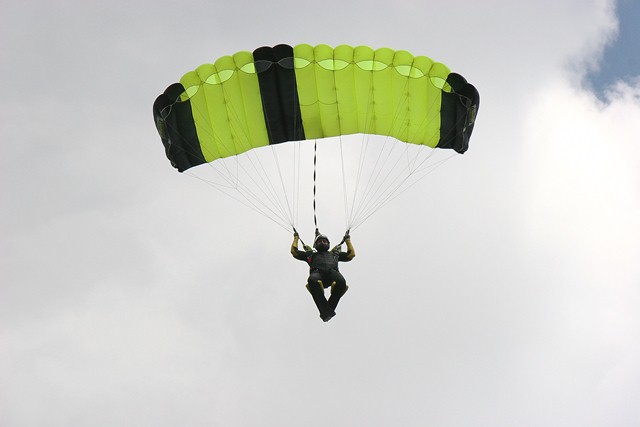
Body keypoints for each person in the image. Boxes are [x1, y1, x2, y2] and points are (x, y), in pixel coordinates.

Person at [291, 230, 355, 322]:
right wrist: (296, 238)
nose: (322, 242)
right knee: (312, 280)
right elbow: (294, 252)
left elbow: (351, 255)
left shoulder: (335, 255)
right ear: (315, 245)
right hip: (318, 274)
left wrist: (348, 241)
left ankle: (326, 312)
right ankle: (327, 312)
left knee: (341, 282)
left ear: (328, 244)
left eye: (324, 241)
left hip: (332, 273)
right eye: (320, 241)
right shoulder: (310, 255)